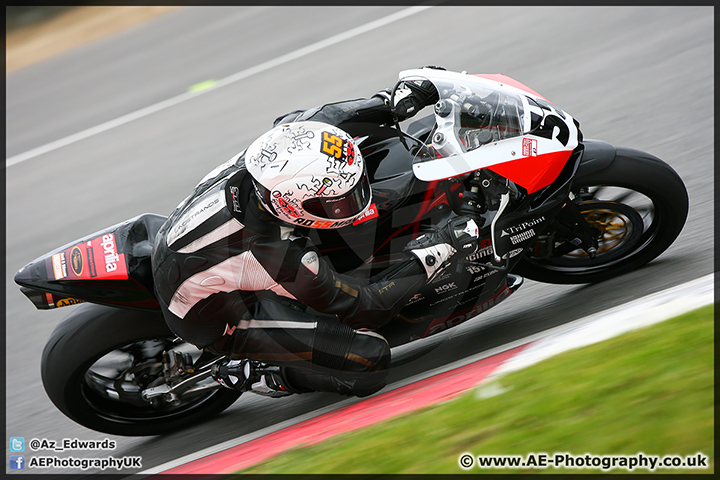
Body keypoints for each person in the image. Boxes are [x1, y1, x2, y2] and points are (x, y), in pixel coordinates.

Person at [151, 68, 480, 398]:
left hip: (189, 245)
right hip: (222, 316)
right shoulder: (279, 254)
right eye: (335, 204)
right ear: (289, 205)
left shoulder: (284, 142)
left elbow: (327, 117)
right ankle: (259, 373)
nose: (354, 205)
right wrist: (441, 247)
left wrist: (393, 101)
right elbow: (367, 306)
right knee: (368, 362)